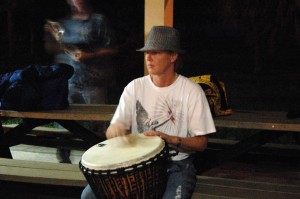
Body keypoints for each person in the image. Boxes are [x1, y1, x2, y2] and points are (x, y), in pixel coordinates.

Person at [81, 26, 216, 199]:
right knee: (89, 196)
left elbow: (201, 143)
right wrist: (114, 130)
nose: (148, 58)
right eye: (146, 53)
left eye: (156, 53)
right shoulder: (135, 87)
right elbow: (114, 129)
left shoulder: (191, 91)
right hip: (136, 163)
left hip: (177, 164)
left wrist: (171, 139)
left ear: (173, 56)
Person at [44, 0, 118, 163]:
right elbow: (52, 49)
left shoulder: (98, 21)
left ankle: (98, 163)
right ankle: (64, 161)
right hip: (69, 82)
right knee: (65, 124)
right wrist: (50, 36)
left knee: (96, 125)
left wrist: (89, 55)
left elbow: (113, 48)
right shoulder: (63, 24)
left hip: (94, 81)